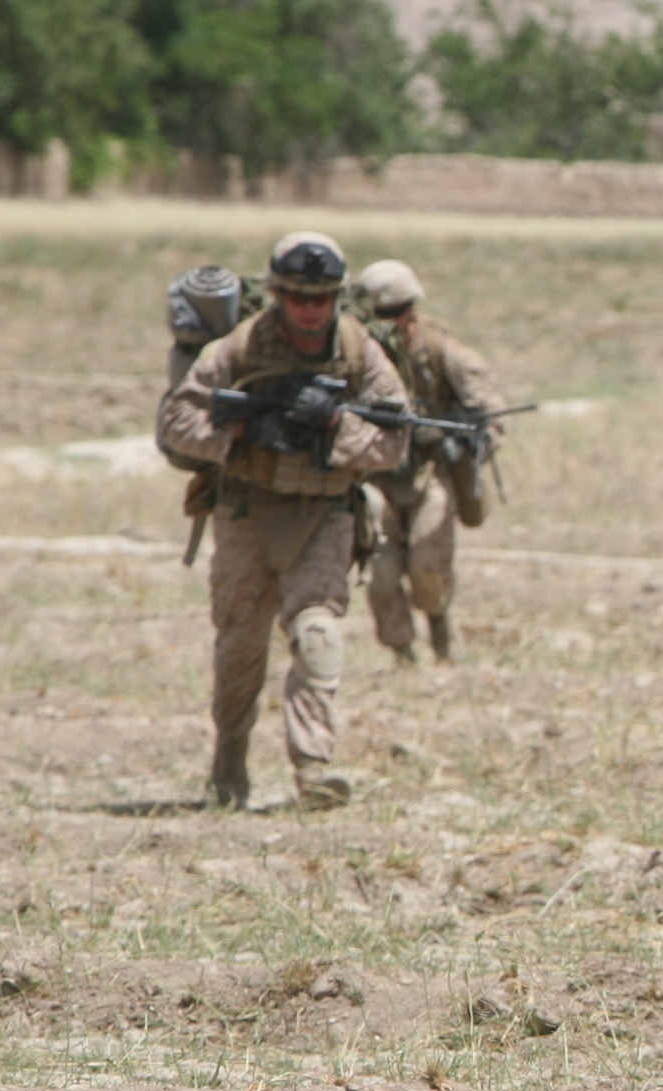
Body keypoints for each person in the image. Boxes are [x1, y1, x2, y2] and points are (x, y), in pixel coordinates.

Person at [155, 232, 410, 810]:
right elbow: (176, 422)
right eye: (297, 297)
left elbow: (396, 441)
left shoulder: (359, 348)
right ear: (276, 294)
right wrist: (249, 431)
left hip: (324, 512)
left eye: (322, 298)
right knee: (241, 645)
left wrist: (335, 426)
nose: (310, 310)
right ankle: (229, 763)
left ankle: (314, 768)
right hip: (247, 509)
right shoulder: (240, 348)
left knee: (318, 630)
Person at [353, 258, 511, 664]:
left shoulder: (440, 350)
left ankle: (440, 630)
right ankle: (402, 653)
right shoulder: (350, 353)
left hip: (428, 472)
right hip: (374, 474)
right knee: (382, 571)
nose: (392, 323)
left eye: (399, 312)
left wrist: (468, 437)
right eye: (382, 315)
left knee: (427, 559)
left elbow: (489, 409)